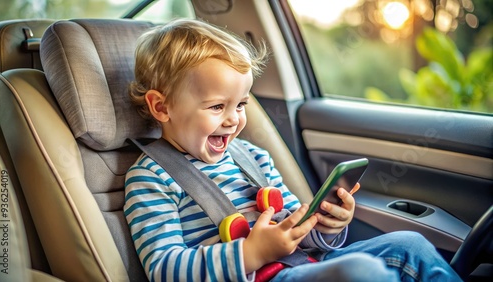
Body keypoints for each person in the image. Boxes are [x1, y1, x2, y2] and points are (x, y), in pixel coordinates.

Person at [124, 18, 461, 282]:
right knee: (360, 274)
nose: (233, 120)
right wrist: (251, 254)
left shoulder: (253, 158)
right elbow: (164, 268)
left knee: (411, 245)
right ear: (162, 107)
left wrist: (325, 226)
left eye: (241, 104)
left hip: (303, 265)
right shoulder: (151, 178)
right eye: (216, 107)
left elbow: (293, 230)